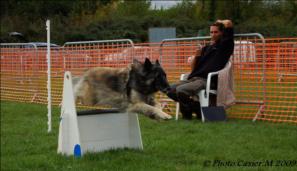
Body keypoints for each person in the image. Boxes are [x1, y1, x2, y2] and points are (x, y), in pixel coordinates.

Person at [167, 19, 234, 120]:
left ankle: (187, 116)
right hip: (194, 78)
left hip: (207, 80)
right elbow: (194, 69)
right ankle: (197, 108)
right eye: (211, 32)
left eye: (216, 32)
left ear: (222, 33)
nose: (213, 34)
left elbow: (228, 23)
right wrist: (196, 57)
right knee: (169, 90)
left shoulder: (225, 46)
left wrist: (220, 21)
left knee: (181, 90)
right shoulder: (206, 48)